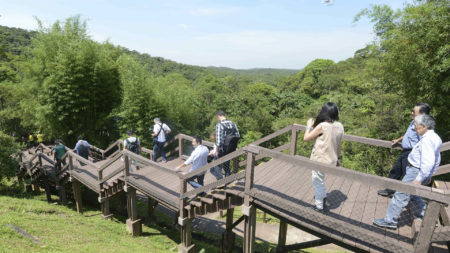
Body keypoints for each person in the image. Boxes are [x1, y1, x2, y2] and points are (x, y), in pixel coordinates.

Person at [374, 114, 442, 229]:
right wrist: (430, 174)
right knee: (413, 196)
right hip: (417, 171)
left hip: (415, 172)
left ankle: (390, 221)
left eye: (416, 126)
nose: (415, 128)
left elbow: (429, 162)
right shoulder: (435, 137)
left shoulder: (427, 140)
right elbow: (437, 158)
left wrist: (419, 179)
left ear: (424, 126)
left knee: (400, 194)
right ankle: (429, 218)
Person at [378, 103, 431, 197]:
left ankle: (405, 196)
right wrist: (398, 139)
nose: (412, 112)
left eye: (414, 111)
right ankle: (390, 190)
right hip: (405, 152)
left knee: (407, 175)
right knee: (395, 171)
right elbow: (408, 135)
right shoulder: (414, 122)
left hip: (412, 153)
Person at [303, 102, 344, 213]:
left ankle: (319, 206)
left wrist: (308, 126)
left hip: (319, 159)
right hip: (331, 159)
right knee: (320, 179)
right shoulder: (339, 126)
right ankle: (323, 197)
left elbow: (306, 138)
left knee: (317, 181)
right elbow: (339, 145)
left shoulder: (322, 126)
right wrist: (338, 159)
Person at [215, 110, 240, 177]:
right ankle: (227, 178)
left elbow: (218, 141)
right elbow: (238, 135)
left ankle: (221, 182)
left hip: (224, 149)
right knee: (227, 165)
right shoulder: (233, 123)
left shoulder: (219, 125)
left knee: (215, 165)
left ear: (218, 116)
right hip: (232, 148)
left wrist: (217, 151)